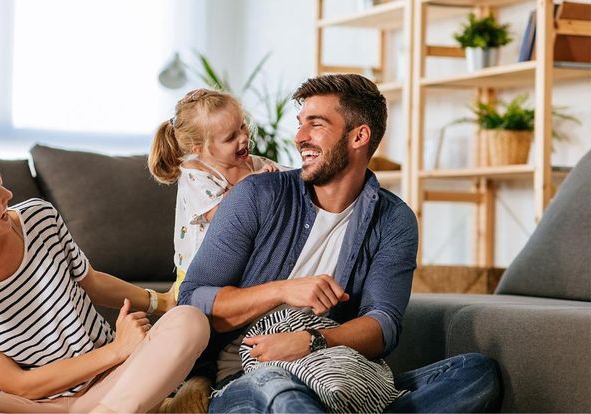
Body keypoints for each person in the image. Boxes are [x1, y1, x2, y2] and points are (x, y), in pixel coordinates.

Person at [178, 74, 501, 413]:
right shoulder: (256, 194)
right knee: (281, 390)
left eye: (315, 125)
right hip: (246, 377)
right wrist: (283, 291)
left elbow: (383, 325)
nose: (300, 137)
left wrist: (312, 341)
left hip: (335, 376)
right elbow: (193, 299)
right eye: (300, 124)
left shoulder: (394, 220)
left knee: (475, 373)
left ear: (359, 136)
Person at [0, 156, 210, 413]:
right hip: (28, 406)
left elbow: (92, 281)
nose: (8, 196)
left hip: (110, 383)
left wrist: (162, 302)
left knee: (189, 321)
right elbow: (20, 385)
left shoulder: (37, 218)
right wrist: (117, 350)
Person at [148, 88, 283, 300]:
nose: (244, 137)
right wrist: (254, 182)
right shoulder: (194, 174)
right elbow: (223, 214)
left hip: (239, 268)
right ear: (200, 148)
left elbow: (293, 180)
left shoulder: (254, 165)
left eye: (242, 126)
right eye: (231, 137)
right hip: (198, 274)